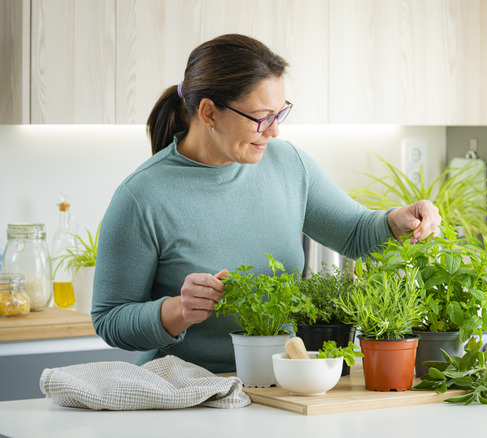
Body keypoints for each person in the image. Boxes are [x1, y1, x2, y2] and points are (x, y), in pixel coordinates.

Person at [92, 34, 441, 373]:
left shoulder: (288, 164)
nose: (274, 132)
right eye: (261, 117)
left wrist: (400, 219)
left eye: (279, 114)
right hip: (183, 392)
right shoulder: (141, 197)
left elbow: (355, 233)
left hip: (277, 387)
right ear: (209, 113)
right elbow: (109, 319)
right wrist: (177, 311)